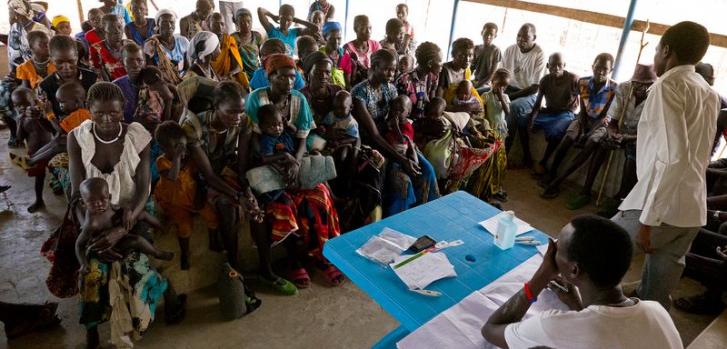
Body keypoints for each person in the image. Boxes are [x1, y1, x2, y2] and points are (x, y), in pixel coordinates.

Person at [67, 82, 185, 349]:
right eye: (99, 113)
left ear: (124, 110)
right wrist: (92, 228)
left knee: (135, 265)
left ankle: (164, 293)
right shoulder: (77, 138)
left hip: (134, 211)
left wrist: (120, 230)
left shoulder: (136, 136)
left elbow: (144, 187)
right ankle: (92, 327)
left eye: (114, 113)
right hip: (93, 216)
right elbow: (76, 194)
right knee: (93, 272)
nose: (107, 119)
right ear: (89, 111)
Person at [611, 21, 720, 310]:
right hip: (691, 211)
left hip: (659, 206)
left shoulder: (668, 86)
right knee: (656, 295)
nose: (655, 56)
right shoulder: (708, 92)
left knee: (592, 254)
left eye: (657, 49)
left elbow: (675, 158)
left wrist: (648, 221)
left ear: (667, 50)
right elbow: (698, 154)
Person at [481, 215, 683, 349]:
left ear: (574, 269)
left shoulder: (554, 328)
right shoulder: (657, 312)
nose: (553, 252)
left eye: (557, 249)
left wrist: (541, 276)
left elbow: (491, 329)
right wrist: (577, 306)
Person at [352, 49, 439, 216]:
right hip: (371, 143)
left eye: (394, 69)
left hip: (393, 138)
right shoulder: (360, 93)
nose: (392, 74)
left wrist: (411, 148)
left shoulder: (390, 89)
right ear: (375, 66)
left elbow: (398, 118)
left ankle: (425, 214)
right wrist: (402, 159)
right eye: (387, 69)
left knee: (427, 169)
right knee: (402, 183)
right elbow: (374, 134)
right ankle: (396, 220)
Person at [541, 53, 617, 203]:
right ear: (592, 66)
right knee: (567, 138)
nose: (600, 71)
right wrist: (582, 129)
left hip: (601, 124)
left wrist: (589, 133)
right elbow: (582, 109)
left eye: (605, 69)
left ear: (611, 70)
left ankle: (559, 181)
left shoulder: (614, 88)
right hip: (583, 119)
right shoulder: (583, 82)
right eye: (597, 67)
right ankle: (552, 173)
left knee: (590, 144)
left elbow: (605, 116)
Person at [153, 121, 218, 270]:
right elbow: (173, 177)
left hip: (192, 197)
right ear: (164, 148)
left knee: (211, 216)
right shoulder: (162, 162)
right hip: (173, 202)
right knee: (184, 226)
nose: (181, 152)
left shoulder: (189, 159)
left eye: (183, 147)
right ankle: (185, 252)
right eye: (176, 148)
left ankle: (214, 240)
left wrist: (200, 198)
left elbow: (199, 178)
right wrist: (176, 157)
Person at [75, 177, 173, 274]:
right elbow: (79, 245)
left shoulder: (108, 205)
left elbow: (119, 208)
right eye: (92, 201)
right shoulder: (91, 224)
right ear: (83, 203)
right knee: (137, 240)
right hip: (113, 245)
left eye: (103, 199)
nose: (99, 204)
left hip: (118, 226)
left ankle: (162, 226)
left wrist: (127, 211)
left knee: (141, 213)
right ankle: (156, 253)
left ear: (109, 197)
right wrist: (83, 263)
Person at [598, 64, 657, 217]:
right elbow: (612, 120)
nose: (639, 88)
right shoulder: (624, 88)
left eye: (645, 85)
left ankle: (622, 198)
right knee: (601, 141)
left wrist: (628, 138)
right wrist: (613, 133)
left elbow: (651, 132)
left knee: (633, 153)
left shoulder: (658, 96)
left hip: (640, 138)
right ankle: (588, 191)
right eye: (636, 83)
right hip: (621, 131)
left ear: (652, 84)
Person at [525, 53, 579, 175]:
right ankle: (526, 156)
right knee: (523, 120)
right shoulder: (545, 80)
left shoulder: (573, 79)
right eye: (553, 65)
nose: (556, 68)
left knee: (555, 132)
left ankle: (543, 162)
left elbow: (586, 100)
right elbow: (538, 103)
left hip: (566, 114)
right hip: (548, 112)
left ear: (564, 65)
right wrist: (532, 120)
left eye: (560, 65)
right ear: (548, 65)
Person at [501, 23, 545, 158]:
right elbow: (502, 74)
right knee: (483, 94)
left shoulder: (539, 54)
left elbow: (535, 88)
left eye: (525, 37)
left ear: (534, 37)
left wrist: (510, 96)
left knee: (513, 107)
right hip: (510, 89)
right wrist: (499, 91)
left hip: (529, 94)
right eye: (518, 36)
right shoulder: (510, 50)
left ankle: (504, 154)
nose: (521, 40)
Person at [468, 68, 510, 202]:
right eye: (498, 85)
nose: (501, 88)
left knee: (501, 162)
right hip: (491, 130)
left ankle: (497, 187)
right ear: (492, 82)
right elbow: (482, 113)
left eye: (504, 86)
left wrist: (501, 98)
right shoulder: (486, 96)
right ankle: (487, 188)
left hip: (501, 131)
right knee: (491, 161)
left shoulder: (506, 98)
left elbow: (507, 112)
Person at [12, 87, 54, 213]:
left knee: (58, 172)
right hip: (35, 152)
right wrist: (19, 121)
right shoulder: (21, 119)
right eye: (17, 105)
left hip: (51, 149)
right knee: (39, 177)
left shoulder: (42, 113)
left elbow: (52, 129)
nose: (21, 107)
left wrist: (41, 116)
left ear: (34, 100)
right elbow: (19, 139)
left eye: (25, 103)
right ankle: (39, 200)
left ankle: (56, 184)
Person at [39, 35, 98, 123]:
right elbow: (45, 118)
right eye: (59, 62)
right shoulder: (45, 86)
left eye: (71, 61)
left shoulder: (92, 78)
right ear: (51, 59)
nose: (66, 67)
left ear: (77, 56)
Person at [396, 41, 443, 120]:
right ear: (430, 63)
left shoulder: (433, 77)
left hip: (425, 120)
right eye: (440, 61)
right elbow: (398, 114)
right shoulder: (405, 81)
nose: (442, 64)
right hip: (406, 122)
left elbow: (431, 104)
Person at [438, 38, 483, 115]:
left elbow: (470, 93)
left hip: (464, 109)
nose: (467, 59)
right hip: (449, 111)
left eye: (470, 55)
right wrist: (463, 108)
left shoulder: (467, 71)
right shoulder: (444, 71)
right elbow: (439, 103)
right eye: (462, 55)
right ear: (453, 55)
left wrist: (474, 105)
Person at [143, 9, 190, 83]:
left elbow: (188, 67)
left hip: (183, 80)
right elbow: (151, 71)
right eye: (164, 22)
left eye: (172, 22)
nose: (169, 25)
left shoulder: (183, 41)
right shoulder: (151, 44)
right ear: (158, 25)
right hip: (162, 83)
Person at [207, 12, 250, 90]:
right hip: (210, 77)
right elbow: (204, 65)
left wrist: (230, 74)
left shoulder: (229, 40)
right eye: (215, 24)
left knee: (242, 77)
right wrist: (216, 78)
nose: (219, 27)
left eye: (222, 24)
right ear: (209, 26)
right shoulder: (206, 41)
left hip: (227, 76)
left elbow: (238, 65)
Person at [7, 0, 52, 69]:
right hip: (20, 71)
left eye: (10, 11)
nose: (9, 14)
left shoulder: (40, 29)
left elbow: (45, 55)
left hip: (38, 70)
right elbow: (13, 55)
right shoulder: (15, 28)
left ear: (18, 11)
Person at [300, 51, 343, 123]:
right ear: (308, 74)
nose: (323, 76)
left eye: (327, 72)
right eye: (318, 72)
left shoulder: (337, 91)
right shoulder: (301, 96)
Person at [341, 15, 382, 89]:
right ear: (355, 29)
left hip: (374, 84)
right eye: (363, 28)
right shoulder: (348, 49)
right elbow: (346, 75)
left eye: (370, 28)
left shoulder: (375, 45)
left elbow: (381, 68)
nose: (368, 31)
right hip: (355, 86)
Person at [89, 14, 127, 81]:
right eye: (112, 28)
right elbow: (97, 75)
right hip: (111, 88)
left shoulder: (129, 44)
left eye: (119, 27)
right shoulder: (96, 49)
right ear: (104, 30)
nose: (117, 31)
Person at [231, 8, 263, 80]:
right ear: (237, 24)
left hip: (255, 73)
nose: (246, 25)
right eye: (242, 22)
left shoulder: (257, 36)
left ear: (252, 21)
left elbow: (262, 56)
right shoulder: (233, 38)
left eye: (249, 21)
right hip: (240, 75)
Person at [472, 22, 502, 94]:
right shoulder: (476, 48)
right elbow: (471, 68)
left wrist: (478, 85)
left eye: (491, 34)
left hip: (487, 84)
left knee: (474, 93)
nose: (488, 36)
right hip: (475, 80)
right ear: (482, 33)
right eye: (486, 33)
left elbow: (492, 74)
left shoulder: (496, 51)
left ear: (495, 36)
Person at [321, 21, 346, 88]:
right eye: (332, 39)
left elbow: (347, 81)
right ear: (325, 37)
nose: (336, 42)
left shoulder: (344, 55)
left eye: (339, 38)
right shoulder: (320, 54)